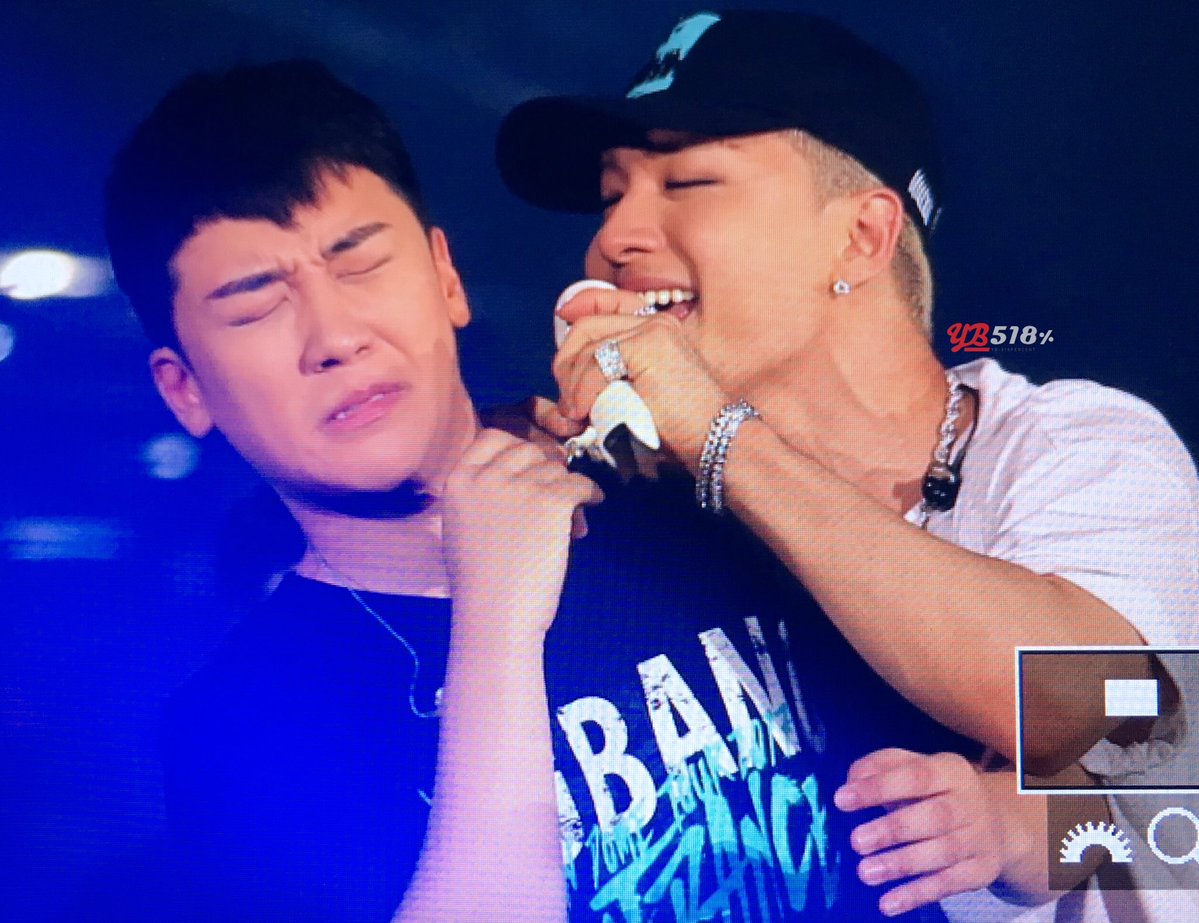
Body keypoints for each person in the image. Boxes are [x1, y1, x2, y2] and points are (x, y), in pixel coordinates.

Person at [105, 58, 1044, 923]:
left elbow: (1124, 750)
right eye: (255, 305)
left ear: (445, 278)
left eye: (360, 263)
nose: (335, 336)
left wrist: (1004, 828)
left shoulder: (696, 500)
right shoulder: (240, 726)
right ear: (185, 389)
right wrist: (495, 620)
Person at [494, 9, 1199, 921]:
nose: (615, 238)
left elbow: (1067, 698)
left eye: (688, 180)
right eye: (609, 195)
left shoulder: (1077, 445)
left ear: (862, 236)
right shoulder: (650, 513)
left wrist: (718, 433)